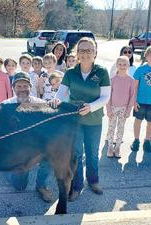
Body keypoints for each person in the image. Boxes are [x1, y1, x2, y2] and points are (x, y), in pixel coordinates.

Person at [54, 37, 111, 201]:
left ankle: (93, 181)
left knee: (93, 154)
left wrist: (91, 107)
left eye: (89, 50)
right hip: (75, 121)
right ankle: (77, 186)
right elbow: (61, 94)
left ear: (95, 53)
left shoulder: (101, 72)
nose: (85, 53)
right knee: (77, 154)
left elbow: (106, 97)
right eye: (82, 50)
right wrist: (57, 102)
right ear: (77, 53)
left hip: (94, 121)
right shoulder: (71, 73)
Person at [2, 72, 53, 203]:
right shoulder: (5, 105)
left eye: (25, 86)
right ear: (13, 88)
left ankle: (41, 185)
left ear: (31, 87)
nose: (22, 89)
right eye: (19, 86)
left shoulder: (41, 104)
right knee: (20, 187)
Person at [105, 56, 135, 158]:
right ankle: (110, 146)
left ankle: (117, 147)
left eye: (124, 64)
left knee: (121, 128)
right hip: (113, 107)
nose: (122, 66)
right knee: (111, 127)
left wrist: (128, 110)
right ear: (116, 65)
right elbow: (108, 95)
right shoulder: (112, 79)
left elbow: (132, 96)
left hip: (124, 108)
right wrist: (108, 109)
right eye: (120, 64)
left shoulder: (131, 80)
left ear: (128, 65)